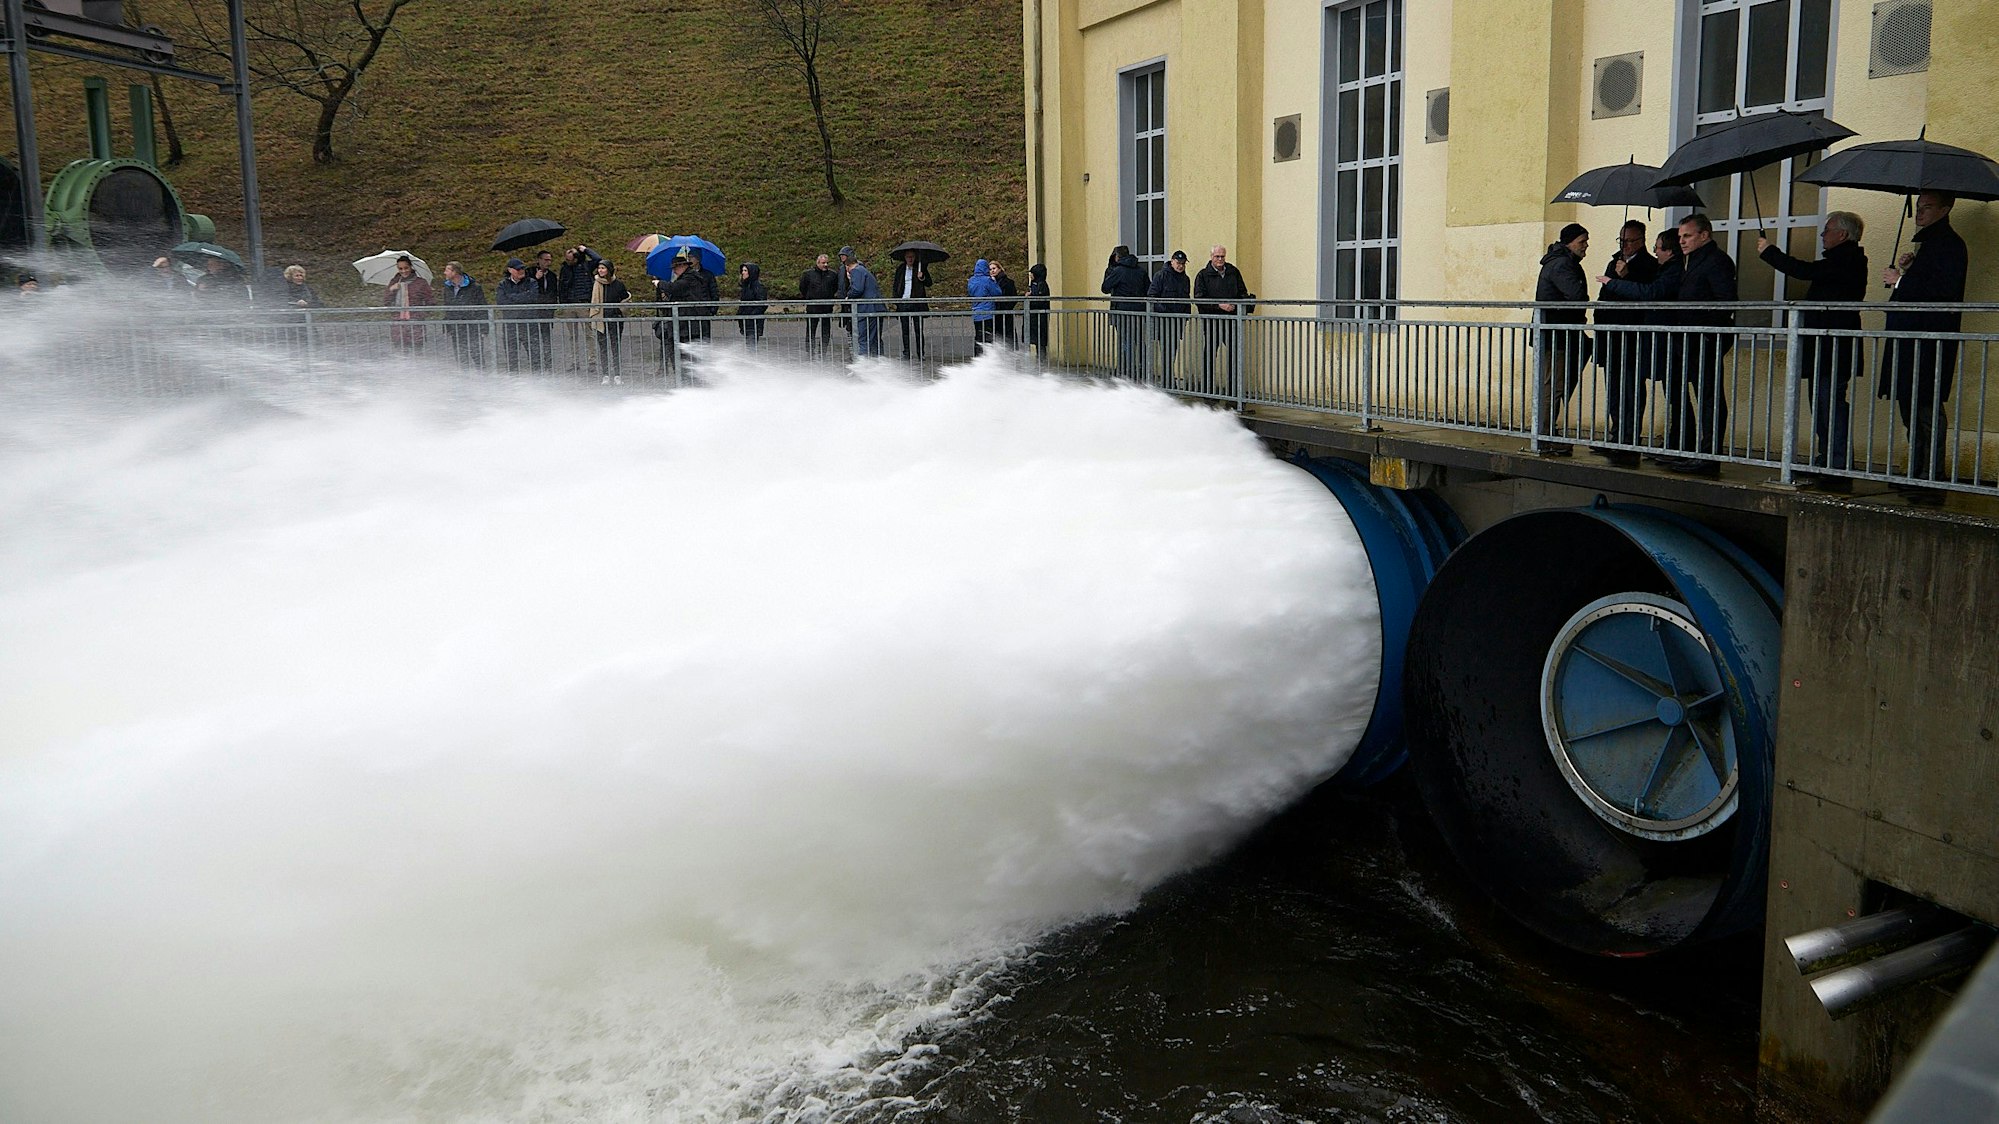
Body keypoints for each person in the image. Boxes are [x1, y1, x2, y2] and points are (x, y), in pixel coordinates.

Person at [1599, 215, 1736, 474]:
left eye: (1688, 236)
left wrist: (1707, 332)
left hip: (1703, 339)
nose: (1682, 241)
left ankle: (1708, 456)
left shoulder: (1716, 261)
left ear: (1705, 235)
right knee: (1687, 395)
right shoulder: (1691, 262)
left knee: (1709, 398)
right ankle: (1690, 451)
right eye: (1681, 236)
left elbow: (1725, 301)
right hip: (1687, 339)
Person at [1758, 211, 1868, 486]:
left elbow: (1805, 270)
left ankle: (1837, 466)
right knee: (1823, 406)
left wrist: (1770, 252)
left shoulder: (1847, 260)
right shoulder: (1843, 260)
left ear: (1842, 234)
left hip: (1833, 346)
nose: (1822, 235)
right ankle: (1827, 461)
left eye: (1827, 230)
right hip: (1825, 347)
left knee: (1830, 405)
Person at [1880, 191, 1969, 493]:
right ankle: (1918, 472)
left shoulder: (1949, 244)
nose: (1919, 213)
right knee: (1913, 409)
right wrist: (1908, 269)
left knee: (1926, 410)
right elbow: (1928, 284)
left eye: (1927, 207)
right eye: (1918, 207)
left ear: (1945, 210)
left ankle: (1930, 476)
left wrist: (1901, 280)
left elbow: (1940, 291)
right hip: (1915, 341)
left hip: (1928, 342)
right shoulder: (1932, 244)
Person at [1592, 220, 1657, 464]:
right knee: (1615, 389)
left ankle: (1629, 439)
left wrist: (1625, 278)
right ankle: (1615, 434)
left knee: (1631, 388)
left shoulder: (1649, 265)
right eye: (1622, 241)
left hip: (1632, 337)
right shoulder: (1614, 262)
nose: (1626, 246)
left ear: (1641, 240)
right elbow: (1605, 295)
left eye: (1630, 241)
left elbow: (1646, 295)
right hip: (1612, 336)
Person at [1533, 222, 1592, 455]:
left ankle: (1546, 433)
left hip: (1559, 334)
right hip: (1557, 336)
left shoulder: (1561, 262)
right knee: (1553, 387)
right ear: (1570, 242)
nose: (1586, 246)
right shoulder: (1561, 264)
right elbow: (1577, 296)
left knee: (1554, 385)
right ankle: (1545, 435)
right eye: (1582, 242)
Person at [1192, 245, 1254, 393]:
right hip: (1212, 322)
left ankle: (1234, 393)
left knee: (1235, 356)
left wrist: (1240, 304)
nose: (1220, 260)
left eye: (1222, 257)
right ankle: (1208, 392)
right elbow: (1200, 299)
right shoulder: (1203, 275)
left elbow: (1242, 292)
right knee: (1210, 357)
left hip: (1232, 321)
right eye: (1217, 257)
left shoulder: (1233, 272)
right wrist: (1220, 305)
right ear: (1211, 257)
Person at [1100, 245, 1148, 378]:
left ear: (1117, 257)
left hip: (1122, 312)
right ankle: (1142, 368)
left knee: (1125, 341)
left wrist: (1109, 272)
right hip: (1139, 312)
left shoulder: (1118, 271)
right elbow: (1148, 289)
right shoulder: (1141, 270)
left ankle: (1126, 370)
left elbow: (1105, 288)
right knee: (1139, 340)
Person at [1147, 249, 1192, 385]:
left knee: (1172, 351)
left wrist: (1185, 317)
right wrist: (1164, 312)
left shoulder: (1185, 279)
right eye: (1178, 263)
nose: (1180, 266)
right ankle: (1167, 381)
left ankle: (1168, 380)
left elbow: (1186, 299)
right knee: (1166, 351)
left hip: (1177, 321)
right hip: (1164, 321)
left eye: (1183, 263)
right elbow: (1152, 297)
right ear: (1172, 261)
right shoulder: (1161, 276)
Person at [557, 245, 603, 372]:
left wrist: (586, 250)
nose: (568, 261)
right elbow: (561, 286)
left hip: (584, 303)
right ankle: (574, 361)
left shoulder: (586, 266)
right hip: (569, 305)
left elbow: (598, 259)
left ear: (577, 258)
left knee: (589, 334)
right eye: (567, 259)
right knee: (572, 336)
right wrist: (562, 303)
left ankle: (592, 361)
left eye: (570, 259)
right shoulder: (564, 268)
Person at [495, 256, 544, 372]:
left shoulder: (531, 282)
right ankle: (514, 383)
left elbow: (533, 297)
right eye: (518, 269)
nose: (521, 271)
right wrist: (522, 296)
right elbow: (501, 301)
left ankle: (538, 381)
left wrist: (511, 297)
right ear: (510, 270)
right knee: (512, 357)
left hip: (529, 324)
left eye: (522, 268)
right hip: (511, 325)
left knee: (535, 356)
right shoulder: (503, 284)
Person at [439, 260, 489, 367]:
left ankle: (483, 379)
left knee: (477, 355)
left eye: (447, 270)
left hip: (472, 327)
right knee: (460, 357)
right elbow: (447, 307)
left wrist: (484, 328)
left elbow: (482, 306)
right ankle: (464, 380)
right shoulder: (448, 288)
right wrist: (447, 325)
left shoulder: (474, 287)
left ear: (455, 272)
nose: (444, 273)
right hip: (456, 327)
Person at [840, 246, 886, 357]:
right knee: (875, 339)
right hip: (875, 308)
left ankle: (863, 366)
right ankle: (878, 364)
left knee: (864, 339)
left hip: (867, 309)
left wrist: (848, 297)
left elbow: (857, 289)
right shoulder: (863, 270)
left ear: (847, 267)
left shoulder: (856, 271)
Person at [588, 258, 630, 383]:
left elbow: (626, 298)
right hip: (601, 319)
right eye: (599, 268)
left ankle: (617, 375)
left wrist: (621, 310)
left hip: (615, 319)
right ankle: (605, 375)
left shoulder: (618, 284)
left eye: (603, 268)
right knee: (603, 347)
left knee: (615, 346)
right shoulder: (596, 283)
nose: (600, 270)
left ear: (609, 269)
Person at [382, 253, 433, 353]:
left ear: (411, 267)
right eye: (400, 269)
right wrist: (391, 290)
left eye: (406, 268)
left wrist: (420, 315)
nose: (403, 271)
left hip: (416, 323)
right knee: (400, 352)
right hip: (398, 324)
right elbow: (386, 302)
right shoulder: (394, 281)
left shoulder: (421, 283)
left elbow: (430, 302)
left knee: (417, 352)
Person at [889, 249, 932, 360]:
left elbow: (929, 283)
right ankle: (906, 352)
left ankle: (920, 353)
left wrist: (922, 277)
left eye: (912, 256)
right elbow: (896, 285)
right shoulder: (901, 269)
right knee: (905, 330)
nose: (910, 259)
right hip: (904, 302)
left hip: (917, 303)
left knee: (918, 330)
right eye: (908, 257)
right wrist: (896, 301)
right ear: (905, 257)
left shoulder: (920, 268)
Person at [799, 253, 841, 358]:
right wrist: (809, 298)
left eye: (827, 263)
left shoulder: (832, 275)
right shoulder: (808, 274)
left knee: (825, 331)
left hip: (827, 307)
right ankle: (810, 352)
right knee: (810, 331)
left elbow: (835, 288)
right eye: (823, 263)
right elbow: (803, 288)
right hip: (813, 307)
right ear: (818, 263)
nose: (825, 265)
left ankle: (823, 351)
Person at [530, 249, 558, 370]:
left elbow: (553, 292)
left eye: (550, 260)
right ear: (539, 260)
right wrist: (536, 279)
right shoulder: (530, 272)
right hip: (534, 312)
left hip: (547, 312)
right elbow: (527, 289)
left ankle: (548, 363)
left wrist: (552, 306)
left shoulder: (552, 275)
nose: (548, 262)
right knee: (534, 339)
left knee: (546, 339)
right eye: (546, 260)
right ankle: (536, 364)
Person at [968, 257, 1002, 355]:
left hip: (976, 313)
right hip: (987, 313)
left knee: (978, 336)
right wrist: (994, 281)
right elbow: (998, 292)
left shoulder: (971, 280)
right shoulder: (987, 280)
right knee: (987, 337)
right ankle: (988, 358)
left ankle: (977, 357)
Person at [737, 262, 768, 349]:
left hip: (754, 321)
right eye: (742, 270)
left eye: (745, 270)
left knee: (751, 346)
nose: (743, 272)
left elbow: (762, 304)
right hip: (746, 321)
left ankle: (753, 361)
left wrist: (751, 315)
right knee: (749, 345)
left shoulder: (758, 286)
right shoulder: (745, 286)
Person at [992, 261, 1020, 348]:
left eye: (994, 268)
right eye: (990, 269)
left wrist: (1007, 308)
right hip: (995, 313)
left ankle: (1010, 354)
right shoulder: (990, 282)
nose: (992, 271)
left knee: (1008, 336)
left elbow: (1014, 297)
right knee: (997, 336)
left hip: (1005, 313)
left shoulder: (1008, 282)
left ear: (999, 269)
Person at [1025, 263, 1051, 354]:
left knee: (1040, 341)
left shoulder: (1041, 285)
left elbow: (1040, 300)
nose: (1030, 275)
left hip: (1039, 316)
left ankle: (1042, 362)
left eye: (1032, 273)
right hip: (1034, 316)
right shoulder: (1034, 284)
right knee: (1036, 340)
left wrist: (1030, 297)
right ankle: (1039, 360)